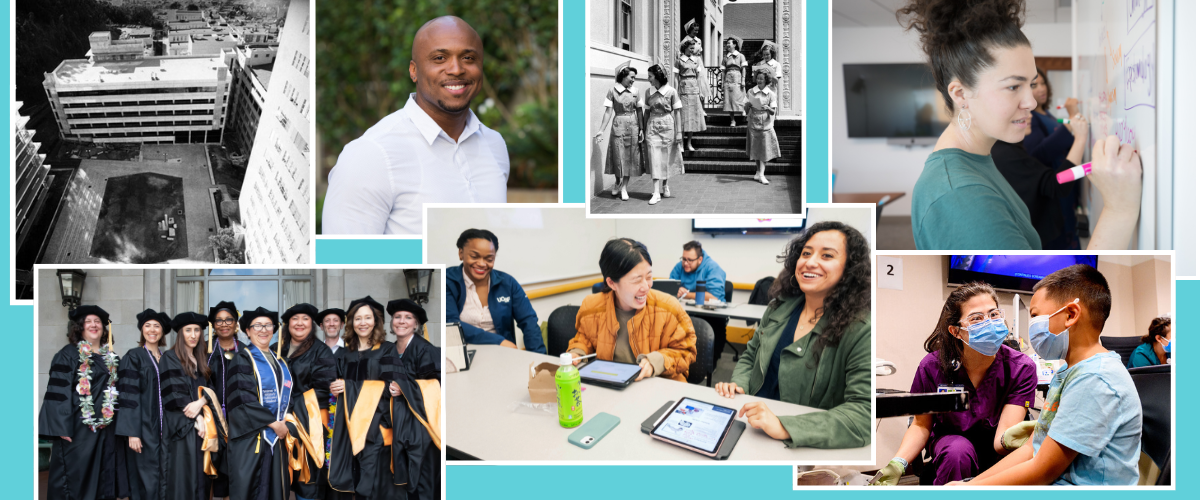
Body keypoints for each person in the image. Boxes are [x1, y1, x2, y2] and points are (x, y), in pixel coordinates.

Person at [897, 0, 1143, 250]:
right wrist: (1119, 210)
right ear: (960, 94)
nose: (1031, 103)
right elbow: (1041, 290)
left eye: (1031, 84)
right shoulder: (960, 195)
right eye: (1013, 86)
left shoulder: (978, 159)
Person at [955, 264, 1142, 485]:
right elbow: (1030, 449)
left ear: (1071, 314)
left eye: (1035, 316)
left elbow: (1042, 470)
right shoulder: (1067, 371)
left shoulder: (1095, 378)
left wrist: (969, 489)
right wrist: (969, 484)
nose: (1032, 325)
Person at [323, 16, 508, 235]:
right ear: (414, 71)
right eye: (440, 58)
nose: (456, 69)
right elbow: (346, 261)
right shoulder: (371, 154)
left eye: (468, 57)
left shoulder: (494, 145)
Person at [714, 221, 872, 449]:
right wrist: (739, 385)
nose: (810, 262)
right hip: (751, 427)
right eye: (805, 253)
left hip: (801, 445)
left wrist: (785, 426)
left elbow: (862, 413)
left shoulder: (861, 329)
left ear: (850, 269)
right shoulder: (779, 306)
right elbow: (749, 357)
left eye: (827, 256)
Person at [874, 282, 1037, 485]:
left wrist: (1013, 438)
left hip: (996, 448)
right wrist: (898, 463)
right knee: (957, 451)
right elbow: (920, 424)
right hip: (951, 447)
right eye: (977, 318)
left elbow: (1001, 440)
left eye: (994, 314)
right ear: (956, 331)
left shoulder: (1021, 367)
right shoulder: (932, 367)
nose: (989, 323)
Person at [568, 238, 697, 382]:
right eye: (636, 280)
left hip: (658, 387)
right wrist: (577, 353)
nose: (646, 287)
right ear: (612, 283)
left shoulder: (669, 307)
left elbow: (687, 351)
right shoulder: (591, 307)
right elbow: (584, 340)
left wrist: (656, 361)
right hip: (612, 386)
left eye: (649, 277)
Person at [40, 305, 128, 500]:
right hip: (78, 430)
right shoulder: (68, 354)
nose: (93, 325)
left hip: (107, 430)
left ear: (104, 328)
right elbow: (58, 391)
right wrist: (61, 427)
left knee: (104, 477)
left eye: (97, 321)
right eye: (88, 321)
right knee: (76, 478)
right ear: (79, 327)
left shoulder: (112, 358)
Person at [327, 296, 398, 498]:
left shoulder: (387, 349)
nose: (363, 323)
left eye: (368, 318)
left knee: (372, 482)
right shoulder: (345, 354)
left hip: (375, 427)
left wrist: (350, 386)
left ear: (375, 321)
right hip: (349, 426)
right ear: (351, 322)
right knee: (352, 478)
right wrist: (336, 388)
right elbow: (337, 385)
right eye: (358, 318)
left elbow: (391, 387)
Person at [224, 307, 295, 500]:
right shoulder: (242, 358)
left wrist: (287, 423)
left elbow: (289, 399)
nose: (263, 330)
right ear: (247, 331)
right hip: (252, 442)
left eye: (268, 325)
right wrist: (274, 424)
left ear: (274, 329)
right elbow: (242, 399)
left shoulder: (282, 362)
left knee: (275, 490)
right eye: (257, 326)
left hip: (277, 440)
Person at [991, 111, 1089, 249]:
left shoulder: (1001, 149)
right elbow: (1058, 185)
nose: (1030, 116)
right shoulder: (1006, 154)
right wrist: (1080, 139)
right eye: (1021, 111)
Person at [271, 303, 336, 500]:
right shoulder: (275, 349)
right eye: (295, 319)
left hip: (309, 423)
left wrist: (290, 409)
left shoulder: (321, 351)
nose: (300, 323)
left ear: (312, 324)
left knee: (307, 480)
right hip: (278, 423)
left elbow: (324, 390)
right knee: (279, 474)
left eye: (305, 319)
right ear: (287, 323)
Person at [446, 228, 546, 353]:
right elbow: (451, 324)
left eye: (489, 259)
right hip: (461, 353)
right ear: (461, 253)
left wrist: (540, 358)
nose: (482, 264)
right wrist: (498, 341)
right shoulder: (447, 281)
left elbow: (528, 321)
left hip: (502, 354)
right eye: (474, 256)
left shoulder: (508, 283)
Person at [383, 299, 442, 500]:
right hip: (397, 427)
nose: (401, 321)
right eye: (397, 317)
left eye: (408, 318)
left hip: (422, 429)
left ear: (416, 324)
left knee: (423, 481)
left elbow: (437, 386)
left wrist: (405, 387)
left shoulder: (426, 350)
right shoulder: (388, 350)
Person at [159, 311, 222, 500]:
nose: (193, 335)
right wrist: (197, 417)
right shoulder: (170, 357)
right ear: (180, 334)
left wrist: (201, 403)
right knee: (182, 479)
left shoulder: (202, 359)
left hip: (201, 428)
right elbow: (173, 394)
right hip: (181, 427)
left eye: (197, 330)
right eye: (188, 330)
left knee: (201, 479)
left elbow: (211, 391)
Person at [115, 309, 172, 500]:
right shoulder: (134, 356)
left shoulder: (167, 358)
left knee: (164, 476)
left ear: (163, 331)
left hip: (165, 431)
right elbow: (128, 394)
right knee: (146, 478)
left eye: (157, 326)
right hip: (144, 428)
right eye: (148, 326)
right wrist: (132, 432)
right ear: (142, 330)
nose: (152, 330)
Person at [204, 301, 243, 499]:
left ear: (236, 324)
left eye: (229, 319)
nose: (224, 324)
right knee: (211, 469)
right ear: (212, 325)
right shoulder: (203, 351)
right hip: (211, 420)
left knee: (235, 470)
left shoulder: (246, 351)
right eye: (218, 320)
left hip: (240, 421)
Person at [593, 60, 644, 202]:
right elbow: (608, 112)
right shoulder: (612, 91)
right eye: (631, 77)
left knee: (630, 157)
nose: (633, 80)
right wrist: (601, 130)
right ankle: (617, 181)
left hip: (633, 125)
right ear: (623, 76)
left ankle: (624, 187)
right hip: (618, 125)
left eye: (634, 77)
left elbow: (640, 111)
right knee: (618, 156)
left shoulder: (636, 92)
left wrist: (641, 128)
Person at [670, 240, 728, 364]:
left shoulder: (713, 268)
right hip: (686, 311)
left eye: (689, 260)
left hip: (711, 314)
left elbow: (714, 297)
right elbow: (670, 288)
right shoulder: (680, 266)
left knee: (714, 329)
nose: (685, 263)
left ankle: (710, 365)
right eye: (683, 259)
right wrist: (676, 291)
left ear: (700, 259)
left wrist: (686, 295)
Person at [641, 63, 685, 205]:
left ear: (658, 76)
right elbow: (646, 112)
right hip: (652, 125)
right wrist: (642, 129)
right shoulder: (648, 92)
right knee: (654, 157)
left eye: (650, 76)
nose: (649, 79)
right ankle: (655, 192)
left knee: (666, 157)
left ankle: (665, 185)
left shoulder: (671, 91)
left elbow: (677, 112)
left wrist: (679, 132)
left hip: (668, 125)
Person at [745, 68, 781, 185]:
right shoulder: (750, 91)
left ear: (766, 80)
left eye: (762, 78)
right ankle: (758, 171)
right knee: (756, 148)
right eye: (758, 78)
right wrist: (748, 106)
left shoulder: (771, 93)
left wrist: (768, 108)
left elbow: (773, 112)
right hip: (753, 123)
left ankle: (762, 174)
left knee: (765, 149)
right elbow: (745, 110)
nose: (759, 80)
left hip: (765, 124)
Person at [675, 39, 708, 151]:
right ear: (685, 48)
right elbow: (675, 78)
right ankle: (681, 144)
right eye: (691, 48)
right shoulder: (679, 60)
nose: (693, 50)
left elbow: (699, 77)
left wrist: (700, 91)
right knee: (683, 117)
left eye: (694, 48)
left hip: (694, 89)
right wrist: (676, 92)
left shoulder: (696, 60)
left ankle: (689, 143)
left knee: (693, 117)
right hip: (683, 89)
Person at [722, 37, 748, 127]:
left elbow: (743, 69)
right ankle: (732, 120)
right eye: (727, 43)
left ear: (734, 45)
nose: (728, 45)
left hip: (737, 77)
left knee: (740, 96)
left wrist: (743, 80)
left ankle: (743, 111)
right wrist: (722, 82)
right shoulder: (725, 57)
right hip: (728, 78)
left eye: (729, 43)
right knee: (729, 99)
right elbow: (723, 71)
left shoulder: (740, 56)